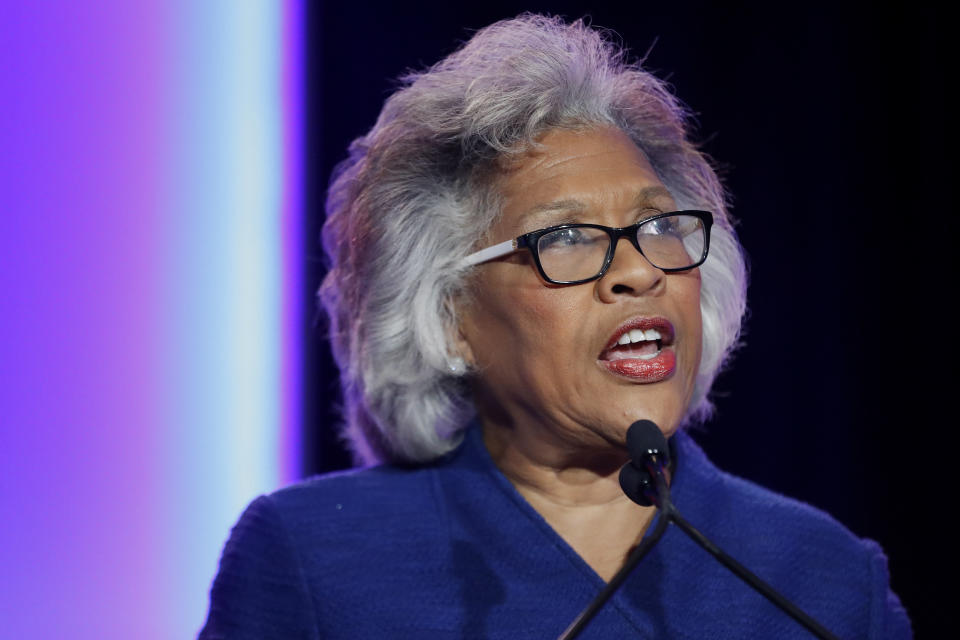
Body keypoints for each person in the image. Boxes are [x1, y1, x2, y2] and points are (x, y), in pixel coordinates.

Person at [200, 14, 911, 639]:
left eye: (659, 225)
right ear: (451, 320)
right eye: (567, 236)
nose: (638, 271)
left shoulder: (823, 580)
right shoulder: (313, 560)